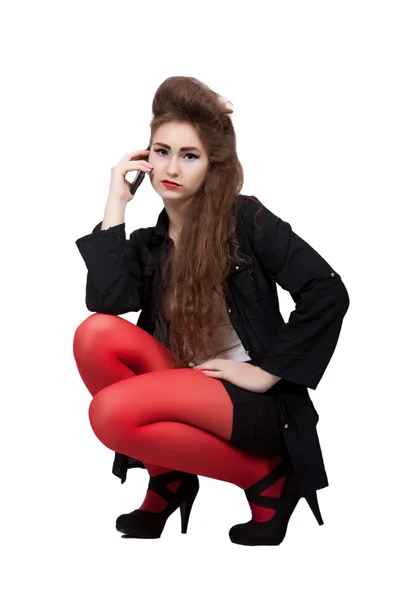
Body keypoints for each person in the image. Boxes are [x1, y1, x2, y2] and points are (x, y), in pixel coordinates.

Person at [73, 76, 350, 546]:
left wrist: (267, 372)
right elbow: (107, 301)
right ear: (145, 158)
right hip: (183, 386)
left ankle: (266, 478)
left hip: (252, 404)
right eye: (161, 152)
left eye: (189, 155)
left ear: (211, 165)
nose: (171, 168)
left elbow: (326, 291)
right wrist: (117, 199)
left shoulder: (246, 220)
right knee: (94, 333)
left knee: (110, 414)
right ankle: (169, 478)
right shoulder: (151, 244)